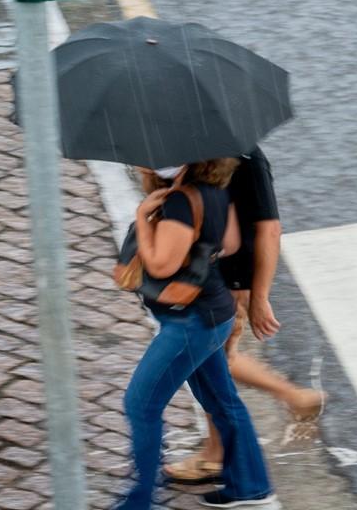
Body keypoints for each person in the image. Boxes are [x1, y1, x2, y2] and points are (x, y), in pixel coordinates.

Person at [117, 160, 276, 509]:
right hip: (213, 314)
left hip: (191, 322)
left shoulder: (179, 202)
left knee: (141, 404)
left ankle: (139, 500)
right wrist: (200, 247)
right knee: (222, 399)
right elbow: (231, 242)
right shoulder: (214, 191)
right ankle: (251, 486)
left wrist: (144, 218)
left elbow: (160, 265)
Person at [163, 147, 324, 486]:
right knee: (213, 360)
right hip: (207, 273)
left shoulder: (247, 158)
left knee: (211, 362)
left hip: (229, 278)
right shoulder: (192, 145)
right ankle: (292, 399)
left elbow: (270, 230)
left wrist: (259, 297)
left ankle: (217, 454)